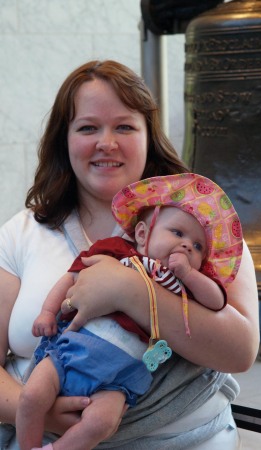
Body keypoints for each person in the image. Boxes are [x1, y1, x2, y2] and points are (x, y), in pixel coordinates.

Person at [0, 59, 259, 450]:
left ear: (148, 136)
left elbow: (240, 351)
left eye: (124, 126)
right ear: (63, 140)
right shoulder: (20, 233)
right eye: (88, 127)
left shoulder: (203, 227)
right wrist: (35, 407)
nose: (107, 142)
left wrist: (128, 291)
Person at [16, 172, 241, 450]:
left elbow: (217, 301)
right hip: (72, 349)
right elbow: (71, 277)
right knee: (31, 398)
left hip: (121, 374)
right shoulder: (116, 252)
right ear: (144, 234)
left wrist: (190, 275)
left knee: (102, 424)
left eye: (197, 246)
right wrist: (47, 313)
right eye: (177, 233)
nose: (186, 245)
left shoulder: (182, 287)